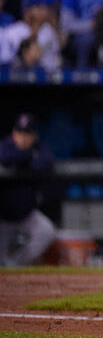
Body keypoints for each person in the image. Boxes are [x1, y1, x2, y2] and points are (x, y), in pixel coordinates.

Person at [0, 113, 57, 267]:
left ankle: (15, 263)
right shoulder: (5, 145)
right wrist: (28, 155)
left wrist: (21, 160)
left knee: (47, 231)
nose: (23, 137)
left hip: (27, 216)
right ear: (13, 133)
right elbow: (5, 157)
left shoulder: (40, 148)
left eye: (27, 134)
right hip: (3, 219)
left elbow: (46, 162)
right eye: (20, 133)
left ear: (34, 136)